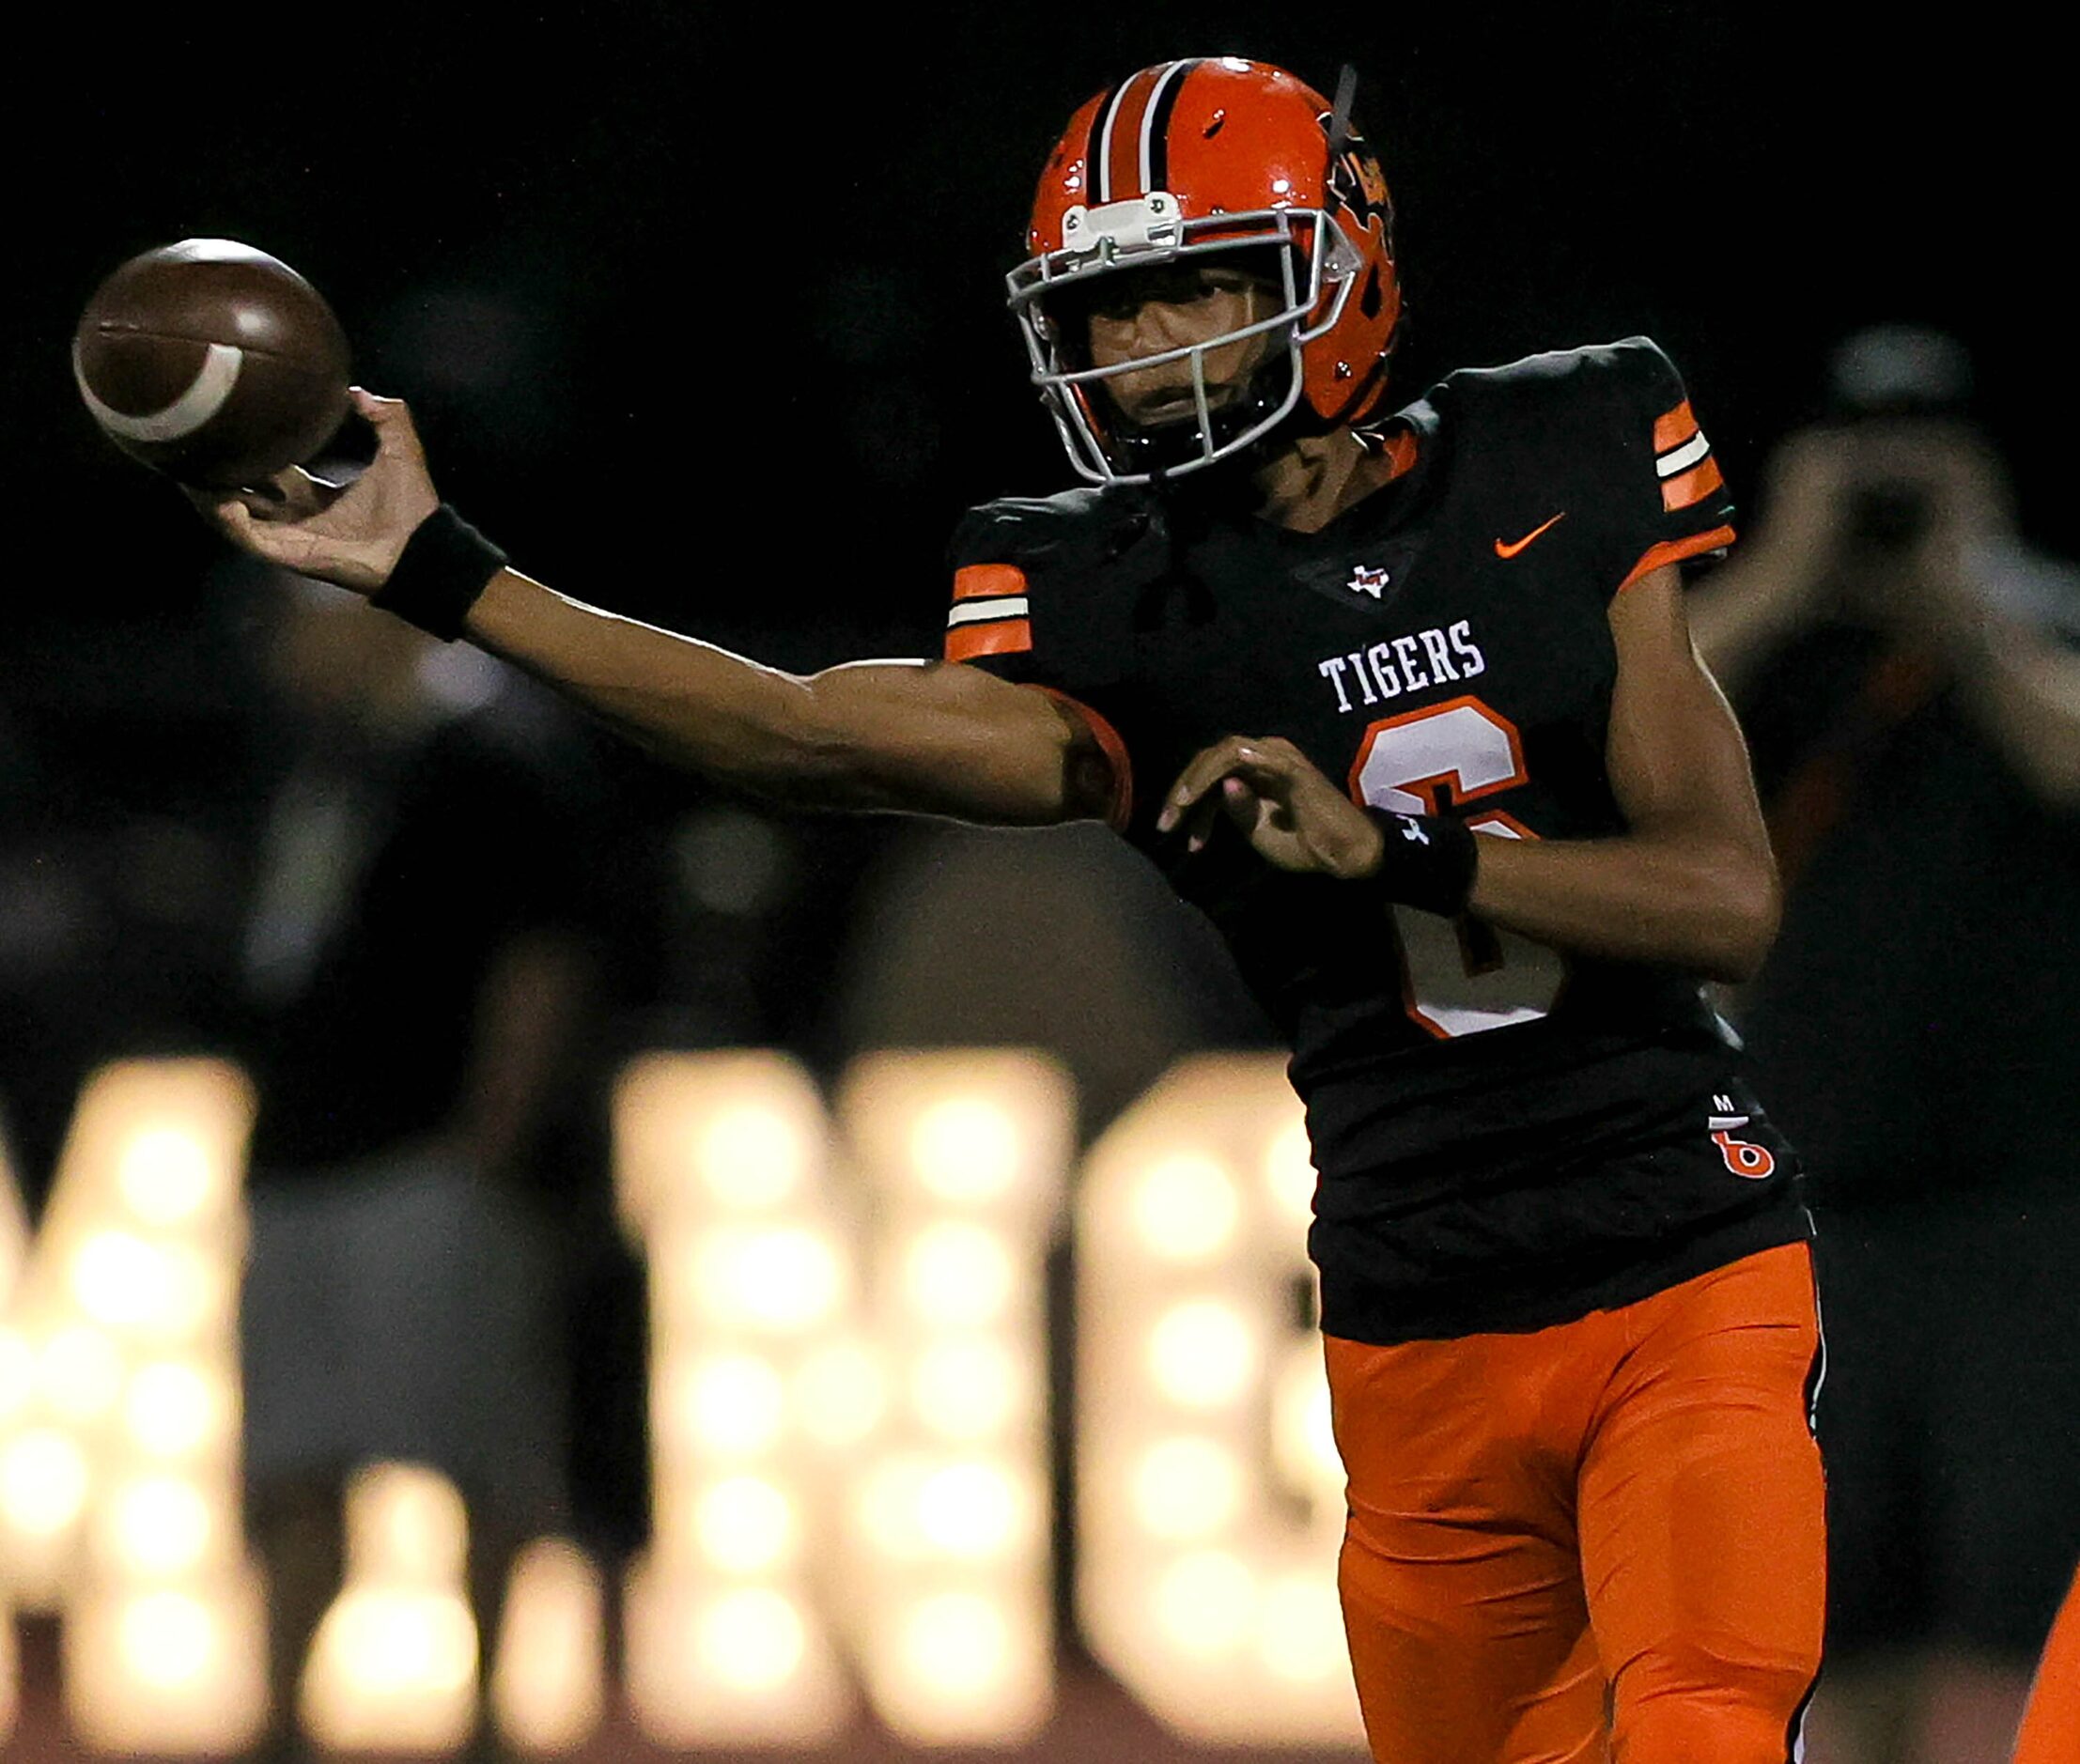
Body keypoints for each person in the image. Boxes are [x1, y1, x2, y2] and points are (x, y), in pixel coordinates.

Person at [189, 58, 1823, 1764]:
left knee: (1700, 1721)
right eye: (1109, 310)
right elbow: (799, 733)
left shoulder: (1554, 453)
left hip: (1676, 1248)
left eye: (1194, 282)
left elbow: (1721, 895)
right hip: (1412, 1302)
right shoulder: (1110, 598)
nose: (1144, 348)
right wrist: (451, 573)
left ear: (1334, 268)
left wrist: (1397, 855)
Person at [1690, 328, 2080, 1764]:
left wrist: (1968, 609)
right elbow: (1604, 734)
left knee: (2008, 1606)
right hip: (1813, 1197)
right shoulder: (1773, 652)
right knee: (1832, 1609)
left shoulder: (2036, 624)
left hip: (2022, 1202)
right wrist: (1786, 574)